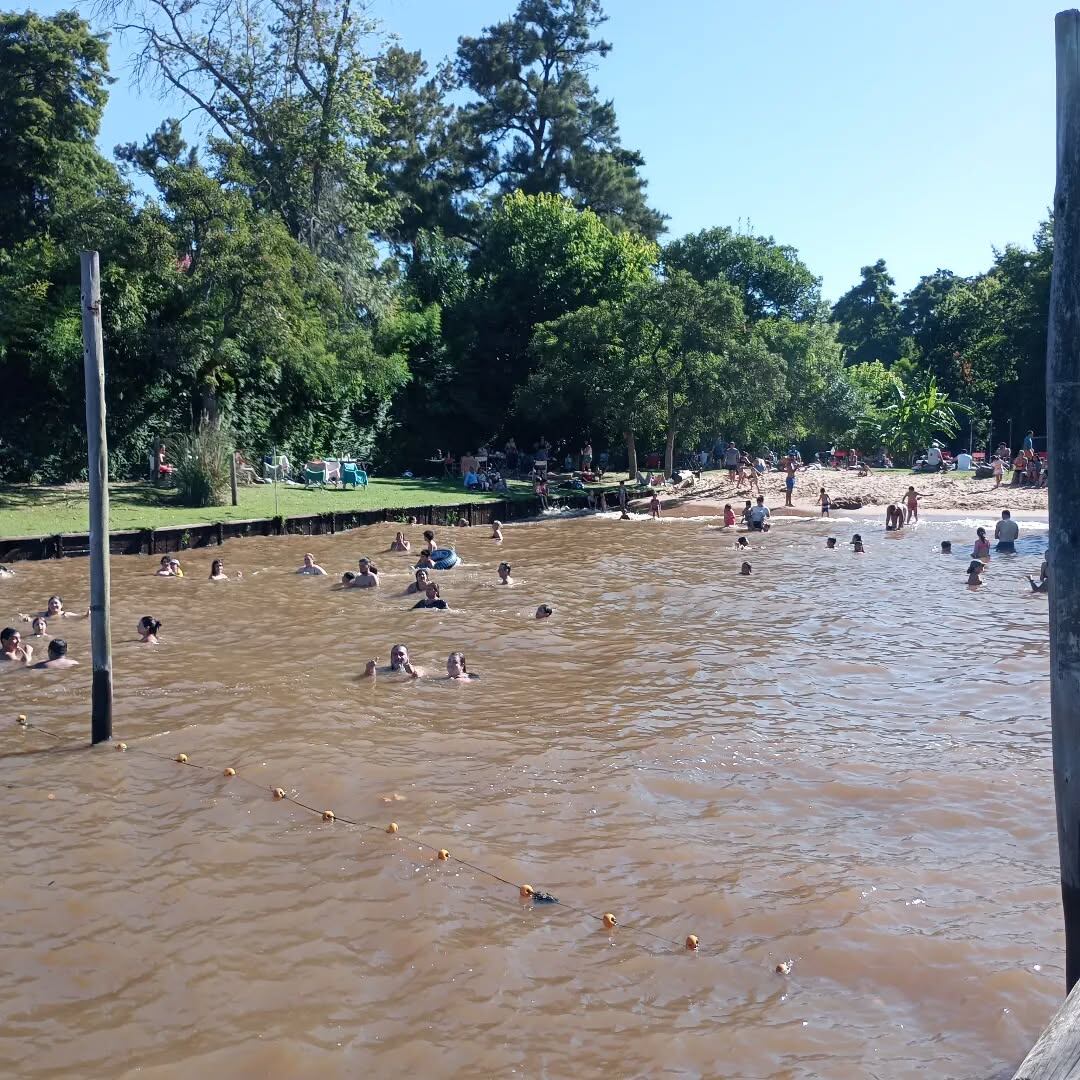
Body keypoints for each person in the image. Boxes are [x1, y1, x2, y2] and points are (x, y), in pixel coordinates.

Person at [20, 595, 87, 621]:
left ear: (61, 605)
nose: (54, 605)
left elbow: (80, 617)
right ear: (48, 605)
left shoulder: (66, 614)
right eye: (51, 603)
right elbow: (29, 615)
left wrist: (86, 615)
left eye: (56, 603)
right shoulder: (43, 614)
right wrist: (25, 618)